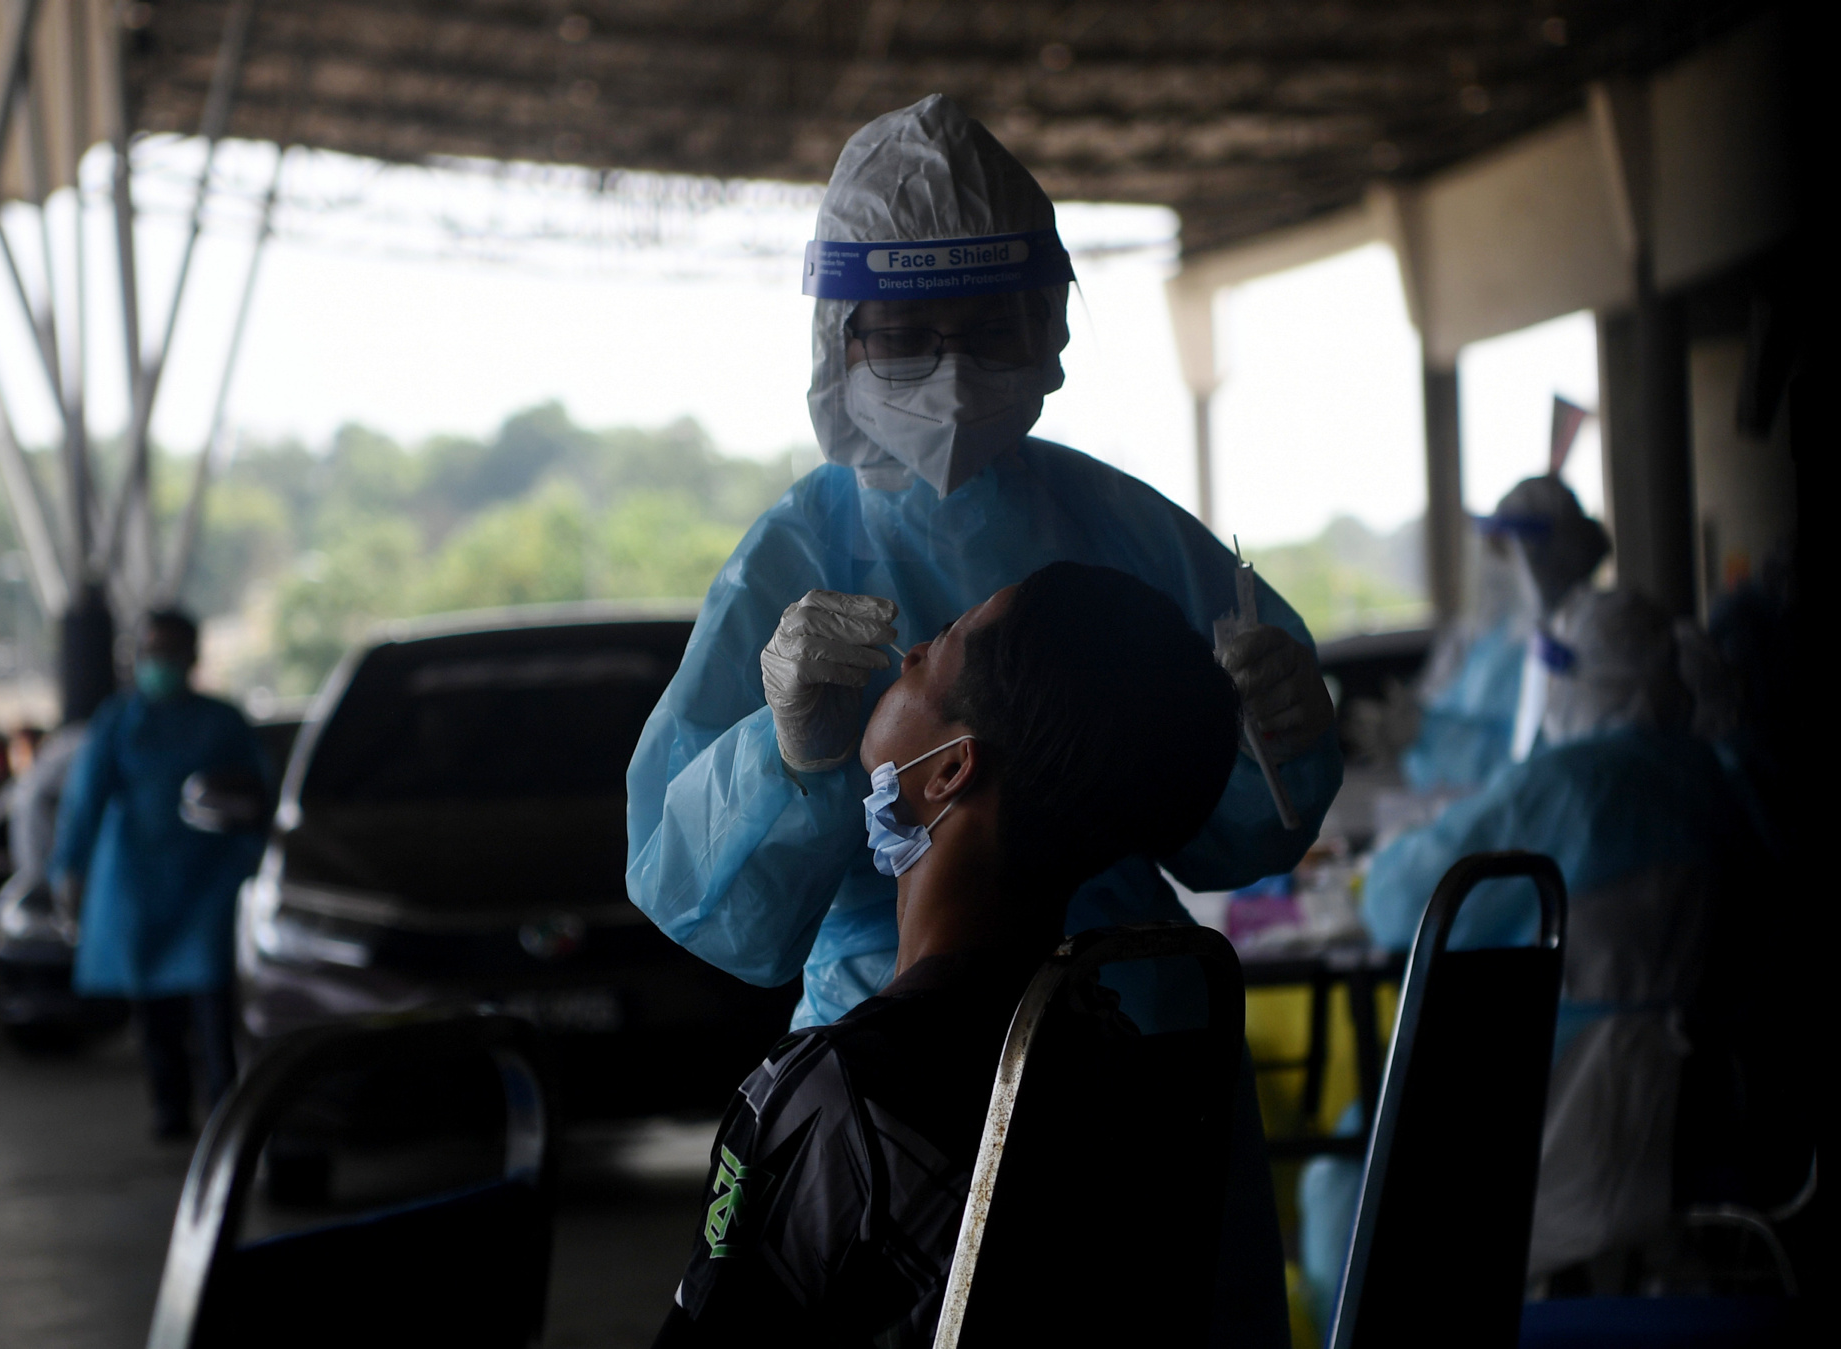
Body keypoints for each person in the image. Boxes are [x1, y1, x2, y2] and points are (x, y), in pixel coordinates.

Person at [627, 95, 1333, 1344]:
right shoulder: (795, 552)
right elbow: (701, 894)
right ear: (840, 338)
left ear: (1047, 323)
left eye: (983, 328)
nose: (949, 369)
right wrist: (779, 757)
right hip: (982, 1052)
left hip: (1052, 1055)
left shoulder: (1126, 532)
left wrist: (1275, 741)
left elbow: (1230, 822)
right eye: (907, 334)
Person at [654, 562, 1243, 1346]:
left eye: (935, 650)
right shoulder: (1121, 1058)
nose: (907, 656)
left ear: (952, 768)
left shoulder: (834, 1100)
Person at [1299, 588, 1757, 1319]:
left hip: (1532, 1109)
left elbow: (1399, 901)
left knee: (1337, 1183)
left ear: (1571, 678)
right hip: (1683, 1115)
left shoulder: (1565, 787)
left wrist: (1383, 860)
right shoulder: (1710, 780)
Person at [50, 610, 268, 1140]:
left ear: (192, 657)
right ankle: (170, 1110)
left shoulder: (224, 722)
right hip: (140, 883)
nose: (159, 663)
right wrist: (68, 872)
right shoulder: (118, 720)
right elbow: (85, 802)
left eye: (170, 652)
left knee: (214, 1003)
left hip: (211, 884)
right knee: (155, 1009)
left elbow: (261, 795)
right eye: (151, 652)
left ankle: (226, 1114)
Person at [1401, 474, 1609, 793]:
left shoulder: (1574, 650)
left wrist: (1428, 734)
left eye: (1504, 549)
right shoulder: (1488, 642)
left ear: (1540, 556)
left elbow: (1526, 762)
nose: (1494, 563)